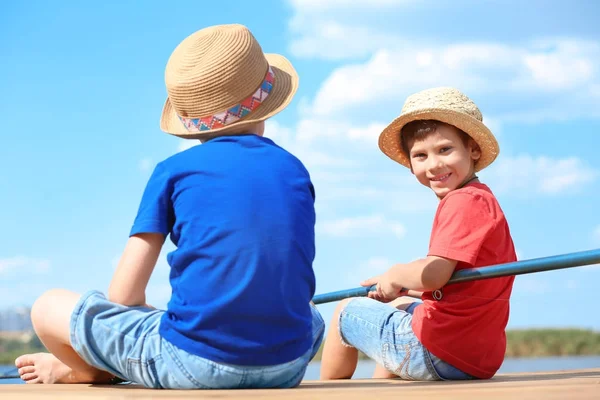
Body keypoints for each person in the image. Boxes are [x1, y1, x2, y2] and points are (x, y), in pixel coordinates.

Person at [15, 24, 324, 389]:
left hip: (192, 366)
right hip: (287, 366)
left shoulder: (173, 172)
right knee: (312, 315)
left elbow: (124, 296)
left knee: (48, 305)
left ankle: (83, 371)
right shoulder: (294, 169)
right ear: (267, 106)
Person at [320, 87, 516, 381]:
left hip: (440, 352)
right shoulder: (482, 199)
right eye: (421, 155)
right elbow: (453, 284)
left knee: (346, 313)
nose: (434, 164)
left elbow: (435, 274)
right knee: (398, 306)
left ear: (473, 149)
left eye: (445, 150)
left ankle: (328, 390)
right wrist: (401, 288)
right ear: (411, 166)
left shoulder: (461, 201)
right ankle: (382, 386)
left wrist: (396, 273)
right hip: (476, 357)